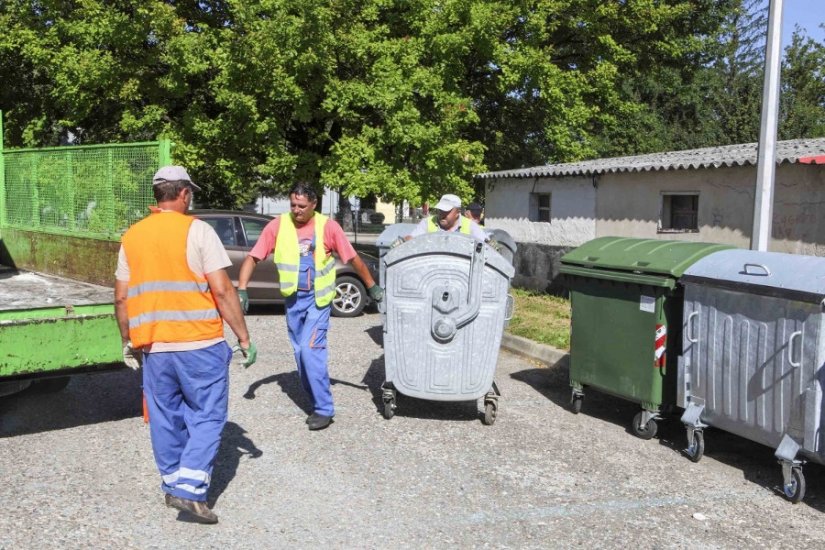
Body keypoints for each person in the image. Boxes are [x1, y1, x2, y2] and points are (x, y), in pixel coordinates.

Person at [114, 165, 256, 525]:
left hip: (154, 347)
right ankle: (189, 492)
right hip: (199, 343)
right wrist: (243, 336)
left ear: (156, 195)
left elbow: (120, 298)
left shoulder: (132, 236)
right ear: (183, 193)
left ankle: (172, 484)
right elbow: (223, 290)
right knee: (208, 415)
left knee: (165, 418)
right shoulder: (198, 230)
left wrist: (127, 340)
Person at [236, 182, 383, 431]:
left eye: (302, 206)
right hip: (293, 302)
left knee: (310, 350)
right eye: (293, 204)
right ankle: (315, 400)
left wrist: (371, 287)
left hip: (319, 301)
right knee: (300, 355)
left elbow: (353, 258)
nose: (296, 210)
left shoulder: (328, 227)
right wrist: (241, 288)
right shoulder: (278, 226)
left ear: (314, 205)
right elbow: (253, 257)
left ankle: (324, 409)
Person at [406, 194, 488, 242]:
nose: (442, 214)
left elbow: (487, 246)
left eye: (447, 211)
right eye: (440, 210)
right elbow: (411, 240)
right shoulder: (427, 223)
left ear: (458, 212)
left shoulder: (470, 226)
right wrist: (404, 241)